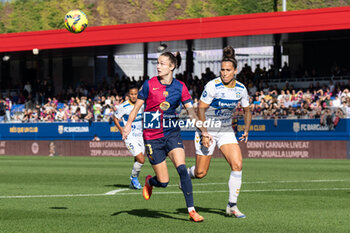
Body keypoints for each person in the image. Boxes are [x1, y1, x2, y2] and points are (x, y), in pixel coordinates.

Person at [123, 52, 206, 222]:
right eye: (158, 63)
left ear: (172, 66)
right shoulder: (148, 85)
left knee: (182, 169)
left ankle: (191, 210)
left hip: (172, 134)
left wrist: (204, 130)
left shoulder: (180, 87)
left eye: (162, 63)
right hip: (152, 137)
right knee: (164, 181)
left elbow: (191, 113)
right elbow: (137, 107)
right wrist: (128, 124)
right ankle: (150, 182)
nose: (158, 66)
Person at [187, 46, 252, 218]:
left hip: (225, 130)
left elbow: (247, 110)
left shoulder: (241, 89)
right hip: (207, 128)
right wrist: (204, 133)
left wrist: (246, 129)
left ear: (235, 71)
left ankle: (232, 206)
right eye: (222, 70)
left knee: (237, 165)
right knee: (200, 173)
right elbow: (200, 109)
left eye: (228, 70)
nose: (224, 73)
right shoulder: (212, 86)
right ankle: (186, 175)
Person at [113, 86, 145, 189]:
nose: (134, 96)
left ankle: (133, 182)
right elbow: (115, 118)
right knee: (141, 159)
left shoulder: (142, 104)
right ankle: (133, 178)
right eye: (131, 94)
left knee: (137, 159)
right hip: (130, 136)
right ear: (128, 95)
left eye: (135, 94)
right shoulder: (124, 106)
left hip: (141, 136)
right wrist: (121, 130)